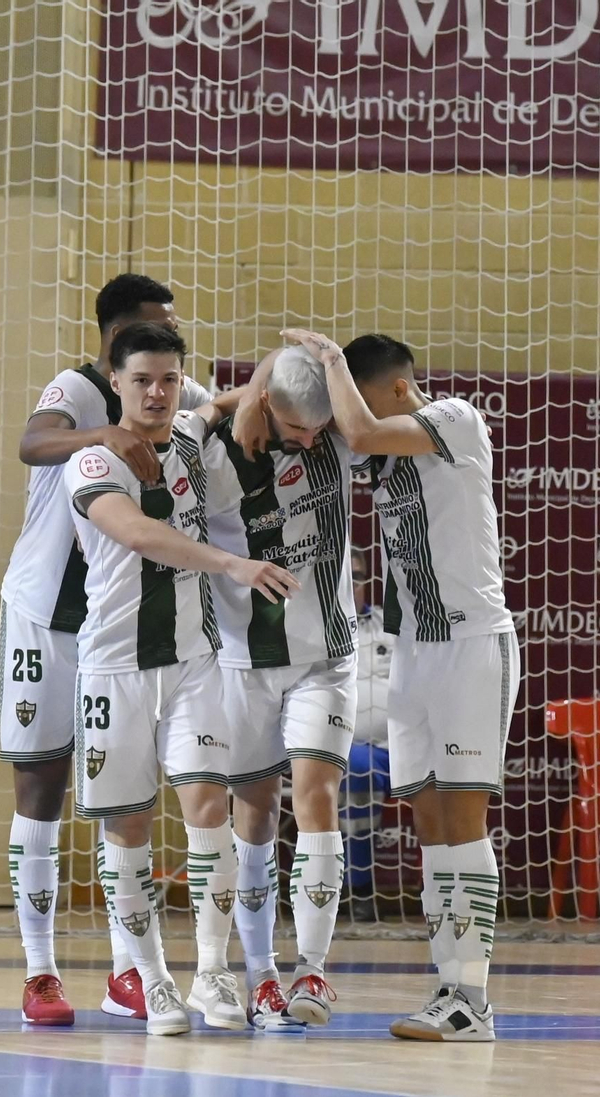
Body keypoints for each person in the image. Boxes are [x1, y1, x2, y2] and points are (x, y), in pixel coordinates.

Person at [284, 329, 519, 1043]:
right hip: (413, 650)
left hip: (472, 644)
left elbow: (353, 426)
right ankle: (447, 985)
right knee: (428, 819)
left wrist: (328, 359)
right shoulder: (381, 457)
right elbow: (316, 434)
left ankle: (470, 997)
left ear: (394, 389)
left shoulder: (454, 418)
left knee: (463, 816)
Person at [64, 322, 297, 1036]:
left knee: (208, 809)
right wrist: (231, 564)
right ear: (115, 383)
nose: (158, 392)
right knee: (128, 828)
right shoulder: (94, 463)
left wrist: (273, 381)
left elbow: (217, 407)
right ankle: (154, 978)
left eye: (169, 378)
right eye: (141, 380)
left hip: (194, 663)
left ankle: (213, 971)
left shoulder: (192, 437)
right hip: (114, 668)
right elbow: (136, 532)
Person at [0, 274, 212, 1024]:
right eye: (151, 328)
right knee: (43, 785)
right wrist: (102, 433)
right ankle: (40, 972)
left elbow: (218, 415)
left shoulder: (173, 394)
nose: (157, 377)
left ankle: (130, 970)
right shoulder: (80, 387)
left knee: (126, 793)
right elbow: (31, 443)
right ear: (112, 339)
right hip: (45, 610)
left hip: (120, 629)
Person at [205, 347, 357, 1031]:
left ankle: (313, 970)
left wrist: (318, 355)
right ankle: (260, 973)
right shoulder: (210, 453)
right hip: (244, 663)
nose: (311, 440)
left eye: (319, 428)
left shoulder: (334, 441)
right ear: (265, 403)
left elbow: (341, 413)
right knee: (255, 816)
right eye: (299, 430)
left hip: (325, 658)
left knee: (317, 796)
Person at [343, 546, 393, 912]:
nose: (354, 584)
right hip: (348, 749)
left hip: (401, 747)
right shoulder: (319, 629)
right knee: (357, 767)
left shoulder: (390, 625)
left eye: (359, 576)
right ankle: (358, 890)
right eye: (347, 577)